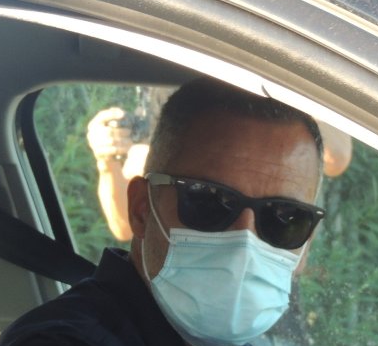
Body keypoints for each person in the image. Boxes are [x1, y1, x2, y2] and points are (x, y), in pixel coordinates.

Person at [0, 77, 325, 346]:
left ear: (306, 243)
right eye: (209, 201)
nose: (245, 240)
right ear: (141, 209)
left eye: (286, 218)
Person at [87, 93, 351, 241]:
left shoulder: (284, 70)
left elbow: (336, 157)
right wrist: (108, 160)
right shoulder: (154, 100)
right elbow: (125, 225)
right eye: (204, 196)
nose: (244, 234)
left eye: (284, 213)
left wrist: (279, 88)